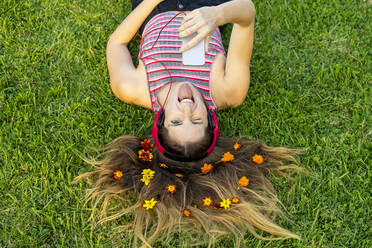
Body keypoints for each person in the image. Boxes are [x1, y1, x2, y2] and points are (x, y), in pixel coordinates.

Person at [76, 0, 305, 247]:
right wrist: (216, 14)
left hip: (155, 8)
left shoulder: (133, 87)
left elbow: (117, 43)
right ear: (210, 119)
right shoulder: (227, 92)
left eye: (176, 121)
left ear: (161, 121)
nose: (187, 108)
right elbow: (247, 12)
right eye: (197, 119)